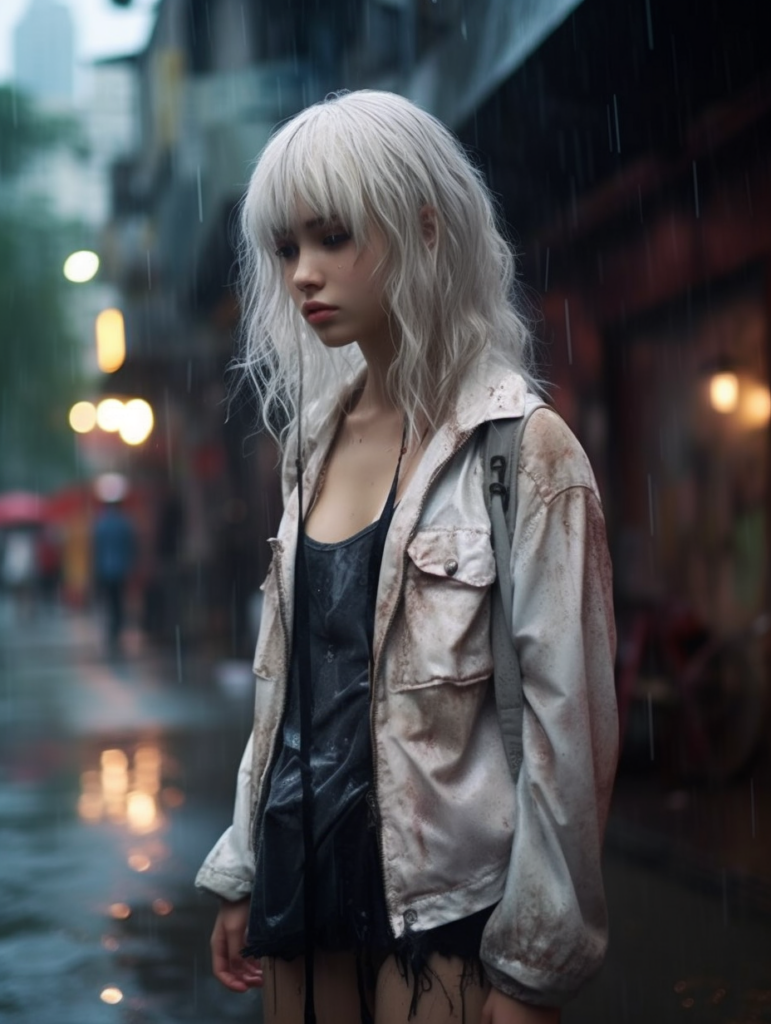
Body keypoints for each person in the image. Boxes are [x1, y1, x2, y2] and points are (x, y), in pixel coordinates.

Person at [195, 90, 618, 1024]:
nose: (303, 274)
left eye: (333, 236)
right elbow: (288, 689)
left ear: (425, 228)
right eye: (286, 248)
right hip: (299, 888)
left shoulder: (521, 452)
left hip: (441, 906)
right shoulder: (310, 447)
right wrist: (243, 866)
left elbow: (568, 732)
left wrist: (534, 968)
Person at [92, 498, 137, 655]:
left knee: (109, 600)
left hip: (105, 569)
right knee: (119, 600)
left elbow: (96, 548)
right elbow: (130, 546)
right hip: (121, 569)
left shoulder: (101, 524)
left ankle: (112, 629)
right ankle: (117, 628)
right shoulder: (124, 523)